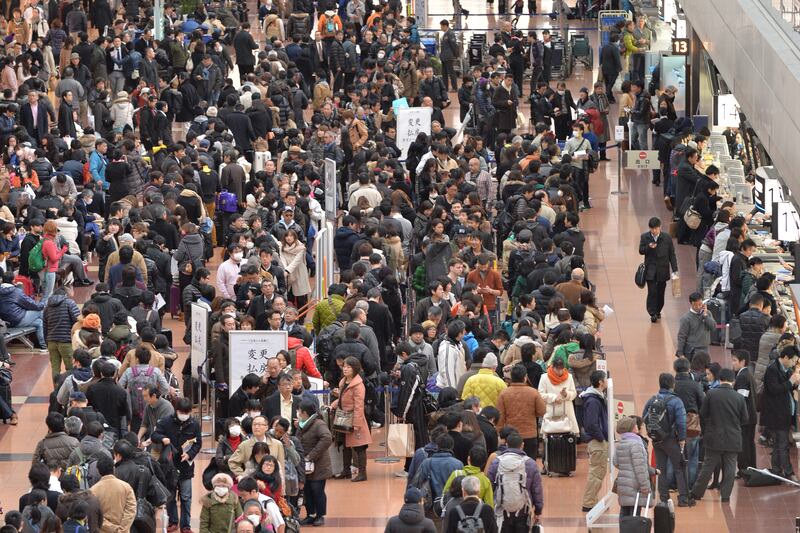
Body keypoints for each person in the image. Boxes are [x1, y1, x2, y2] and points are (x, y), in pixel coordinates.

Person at [689, 368, 749, 503]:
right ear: (733, 381)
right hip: (733, 438)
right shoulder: (739, 397)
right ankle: (726, 495)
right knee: (730, 467)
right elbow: (745, 419)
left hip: (714, 436)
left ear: (720, 379)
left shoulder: (711, 393)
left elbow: (703, 413)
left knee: (708, 466)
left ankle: (697, 493)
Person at [151, 397, 203, 532]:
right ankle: (173, 521)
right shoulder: (166, 421)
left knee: (186, 497)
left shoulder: (194, 424)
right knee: (170, 496)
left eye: (187, 412)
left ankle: (186, 525)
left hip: (186, 465)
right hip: (169, 466)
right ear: (177, 411)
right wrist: (162, 438)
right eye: (182, 412)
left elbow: (198, 443)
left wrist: (189, 454)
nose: (185, 415)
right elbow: (154, 435)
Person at [642, 373, 694, 506]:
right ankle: (683, 499)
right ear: (673, 385)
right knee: (680, 468)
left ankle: (664, 498)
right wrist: (682, 438)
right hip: (672, 440)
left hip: (657, 440)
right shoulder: (676, 401)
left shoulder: (652, 399)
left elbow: (644, 417)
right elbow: (681, 422)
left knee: (661, 469)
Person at [486, 432, 543, 531]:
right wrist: (538, 510)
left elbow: (489, 486)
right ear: (522, 445)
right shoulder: (530, 463)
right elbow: (537, 489)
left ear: (506, 444)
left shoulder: (497, 462)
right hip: (523, 511)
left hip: (502, 511)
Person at [760, 346, 800, 482]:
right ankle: (789, 473)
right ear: (786, 357)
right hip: (776, 414)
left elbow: (787, 387)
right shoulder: (772, 369)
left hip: (784, 413)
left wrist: (795, 384)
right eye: (794, 361)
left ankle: (776, 471)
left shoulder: (786, 369)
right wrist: (790, 382)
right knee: (782, 444)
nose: (795, 364)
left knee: (778, 444)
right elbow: (774, 389)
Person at [330, 356, 372, 482]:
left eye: (349, 367)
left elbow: (359, 405)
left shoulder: (358, 385)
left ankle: (362, 473)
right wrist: (334, 404)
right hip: (343, 418)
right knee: (345, 445)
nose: (345, 369)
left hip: (354, 419)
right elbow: (343, 398)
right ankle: (346, 470)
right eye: (344, 366)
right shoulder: (344, 382)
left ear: (355, 369)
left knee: (359, 447)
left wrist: (357, 423)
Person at [496, 364, 546, 459]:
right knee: (529, 463)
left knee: (511, 461)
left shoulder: (504, 393)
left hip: (510, 436)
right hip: (530, 434)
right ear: (525, 377)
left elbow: (500, 417)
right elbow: (542, 411)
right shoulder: (533, 392)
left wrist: (499, 433)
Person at [297, 400, 332, 526]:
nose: (298, 413)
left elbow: (327, 438)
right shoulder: (302, 424)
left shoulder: (318, 424)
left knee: (317, 490)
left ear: (304, 412)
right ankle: (310, 514)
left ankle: (320, 515)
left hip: (319, 465)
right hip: (304, 465)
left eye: (299, 411)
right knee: (307, 491)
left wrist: (311, 455)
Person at [613, 416, 653, 519]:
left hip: (623, 483)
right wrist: (645, 486)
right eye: (634, 424)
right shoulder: (636, 444)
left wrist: (626, 469)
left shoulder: (620, 443)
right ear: (632, 428)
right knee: (634, 515)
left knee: (624, 512)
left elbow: (615, 462)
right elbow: (640, 469)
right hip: (635, 485)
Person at [638, 217, 677, 323]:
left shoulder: (667, 238)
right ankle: (652, 313)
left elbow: (671, 254)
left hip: (662, 269)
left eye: (655, 228)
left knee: (661, 292)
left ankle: (658, 310)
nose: (653, 231)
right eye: (651, 229)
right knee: (652, 291)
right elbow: (641, 251)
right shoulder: (645, 237)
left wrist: (675, 269)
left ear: (660, 227)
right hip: (650, 269)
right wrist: (649, 247)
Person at [580, 370, 608, 513]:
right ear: (600, 382)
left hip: (597, 439)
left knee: (598, 472)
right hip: (597, 441)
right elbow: (591, 423)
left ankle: (592, 500)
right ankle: (589, 502)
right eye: (605, 379)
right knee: (596, 472)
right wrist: (601, 437)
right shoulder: (593, 401)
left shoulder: (596, 398)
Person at [90, 456, 136, 533]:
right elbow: (131, 510)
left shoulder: (93, 490)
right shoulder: (126, 487)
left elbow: (94, 515)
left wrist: (112, 528)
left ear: (98, 470)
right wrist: (122, 529)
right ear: (113, 468)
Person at [731, 350, 757, 475]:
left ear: (743, 361)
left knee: (744, 443)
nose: (733, 363)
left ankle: (744, 469)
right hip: (751, 415)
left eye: (735, 360)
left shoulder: (742, 376)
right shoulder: (748, 374)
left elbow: (740, 398)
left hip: (745, 417)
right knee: (749, 443)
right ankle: (751, 467)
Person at [675, 292, 716, 359]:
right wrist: (680, 353)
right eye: (695, 305)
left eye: (700, 304)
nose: (698, 307)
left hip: (705, 348)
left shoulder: (707, 313)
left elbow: (713, 327)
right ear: (691, 304)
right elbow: (682, 336)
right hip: (692, 350)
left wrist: (705, 316)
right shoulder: (686, 318)